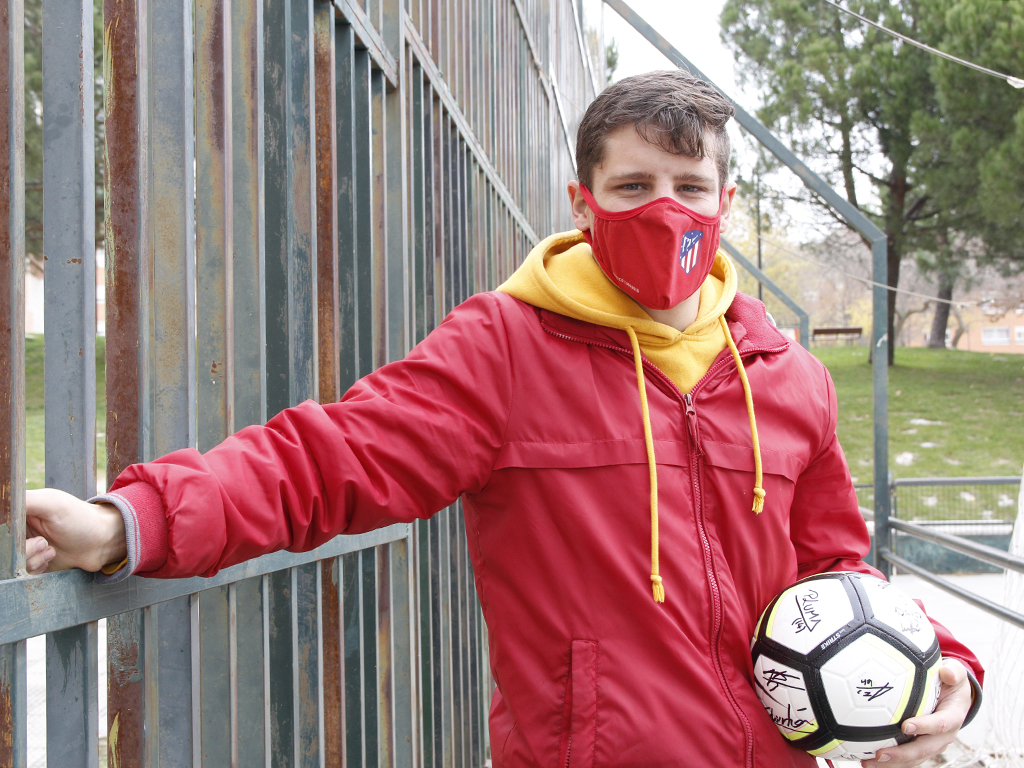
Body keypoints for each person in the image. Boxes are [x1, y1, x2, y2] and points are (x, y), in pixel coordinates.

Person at [25, 70, 981, 767]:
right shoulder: (505, 348)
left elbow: (837, 569)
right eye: (634, 187)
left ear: (724, 203)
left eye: (689, 188)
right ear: (584, 203)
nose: (665, 211)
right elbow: (334, 457)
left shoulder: (789, 375)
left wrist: (946, 665)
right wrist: (132, 521)